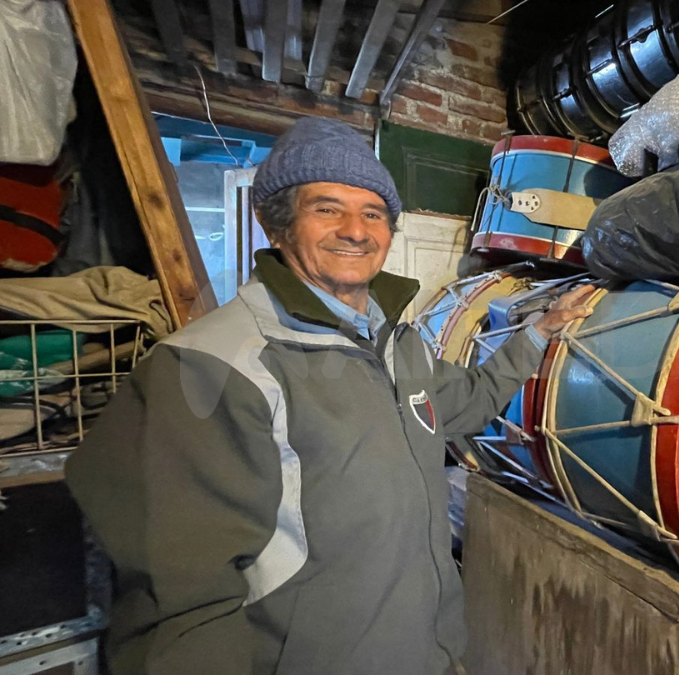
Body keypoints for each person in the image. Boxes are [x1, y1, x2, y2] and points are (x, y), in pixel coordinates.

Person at [65, 117, 593, 675]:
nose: (355, 230)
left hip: (427, 653)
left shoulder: (399, 345)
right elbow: (181, 611)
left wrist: (537, 333)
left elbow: (473, 398)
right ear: (277, 225)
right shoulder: (208, 367)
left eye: (372, 213)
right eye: (326, 208)